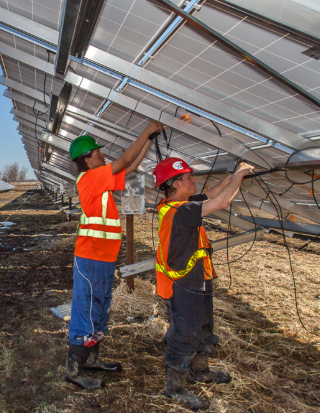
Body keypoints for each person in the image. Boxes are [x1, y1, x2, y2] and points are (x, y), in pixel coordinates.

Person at [64, 120, 163, 389]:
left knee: (100, 307)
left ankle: (91, 359)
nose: (102, 155)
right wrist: (145, 130)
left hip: (105, 257)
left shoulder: (101, 181)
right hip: (90, 257)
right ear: (87, 159)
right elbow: (123, 161)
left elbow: (129, 167)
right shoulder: (89, 178)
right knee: (85, 309)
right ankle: (73, 370)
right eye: (98, 153)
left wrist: (150, 141)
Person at [152, 157, 253, 410]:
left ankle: (200, 371)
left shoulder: (179, 204)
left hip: (199, 277)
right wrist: (240, 173)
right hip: (184, 283)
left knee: (204, 326)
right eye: (188, 177)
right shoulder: (180, 211)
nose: (193, 180)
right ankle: (174, 387)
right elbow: (222, 202)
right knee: (185, 333)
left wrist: (232, 176)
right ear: (176, 183)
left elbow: (211, 193)